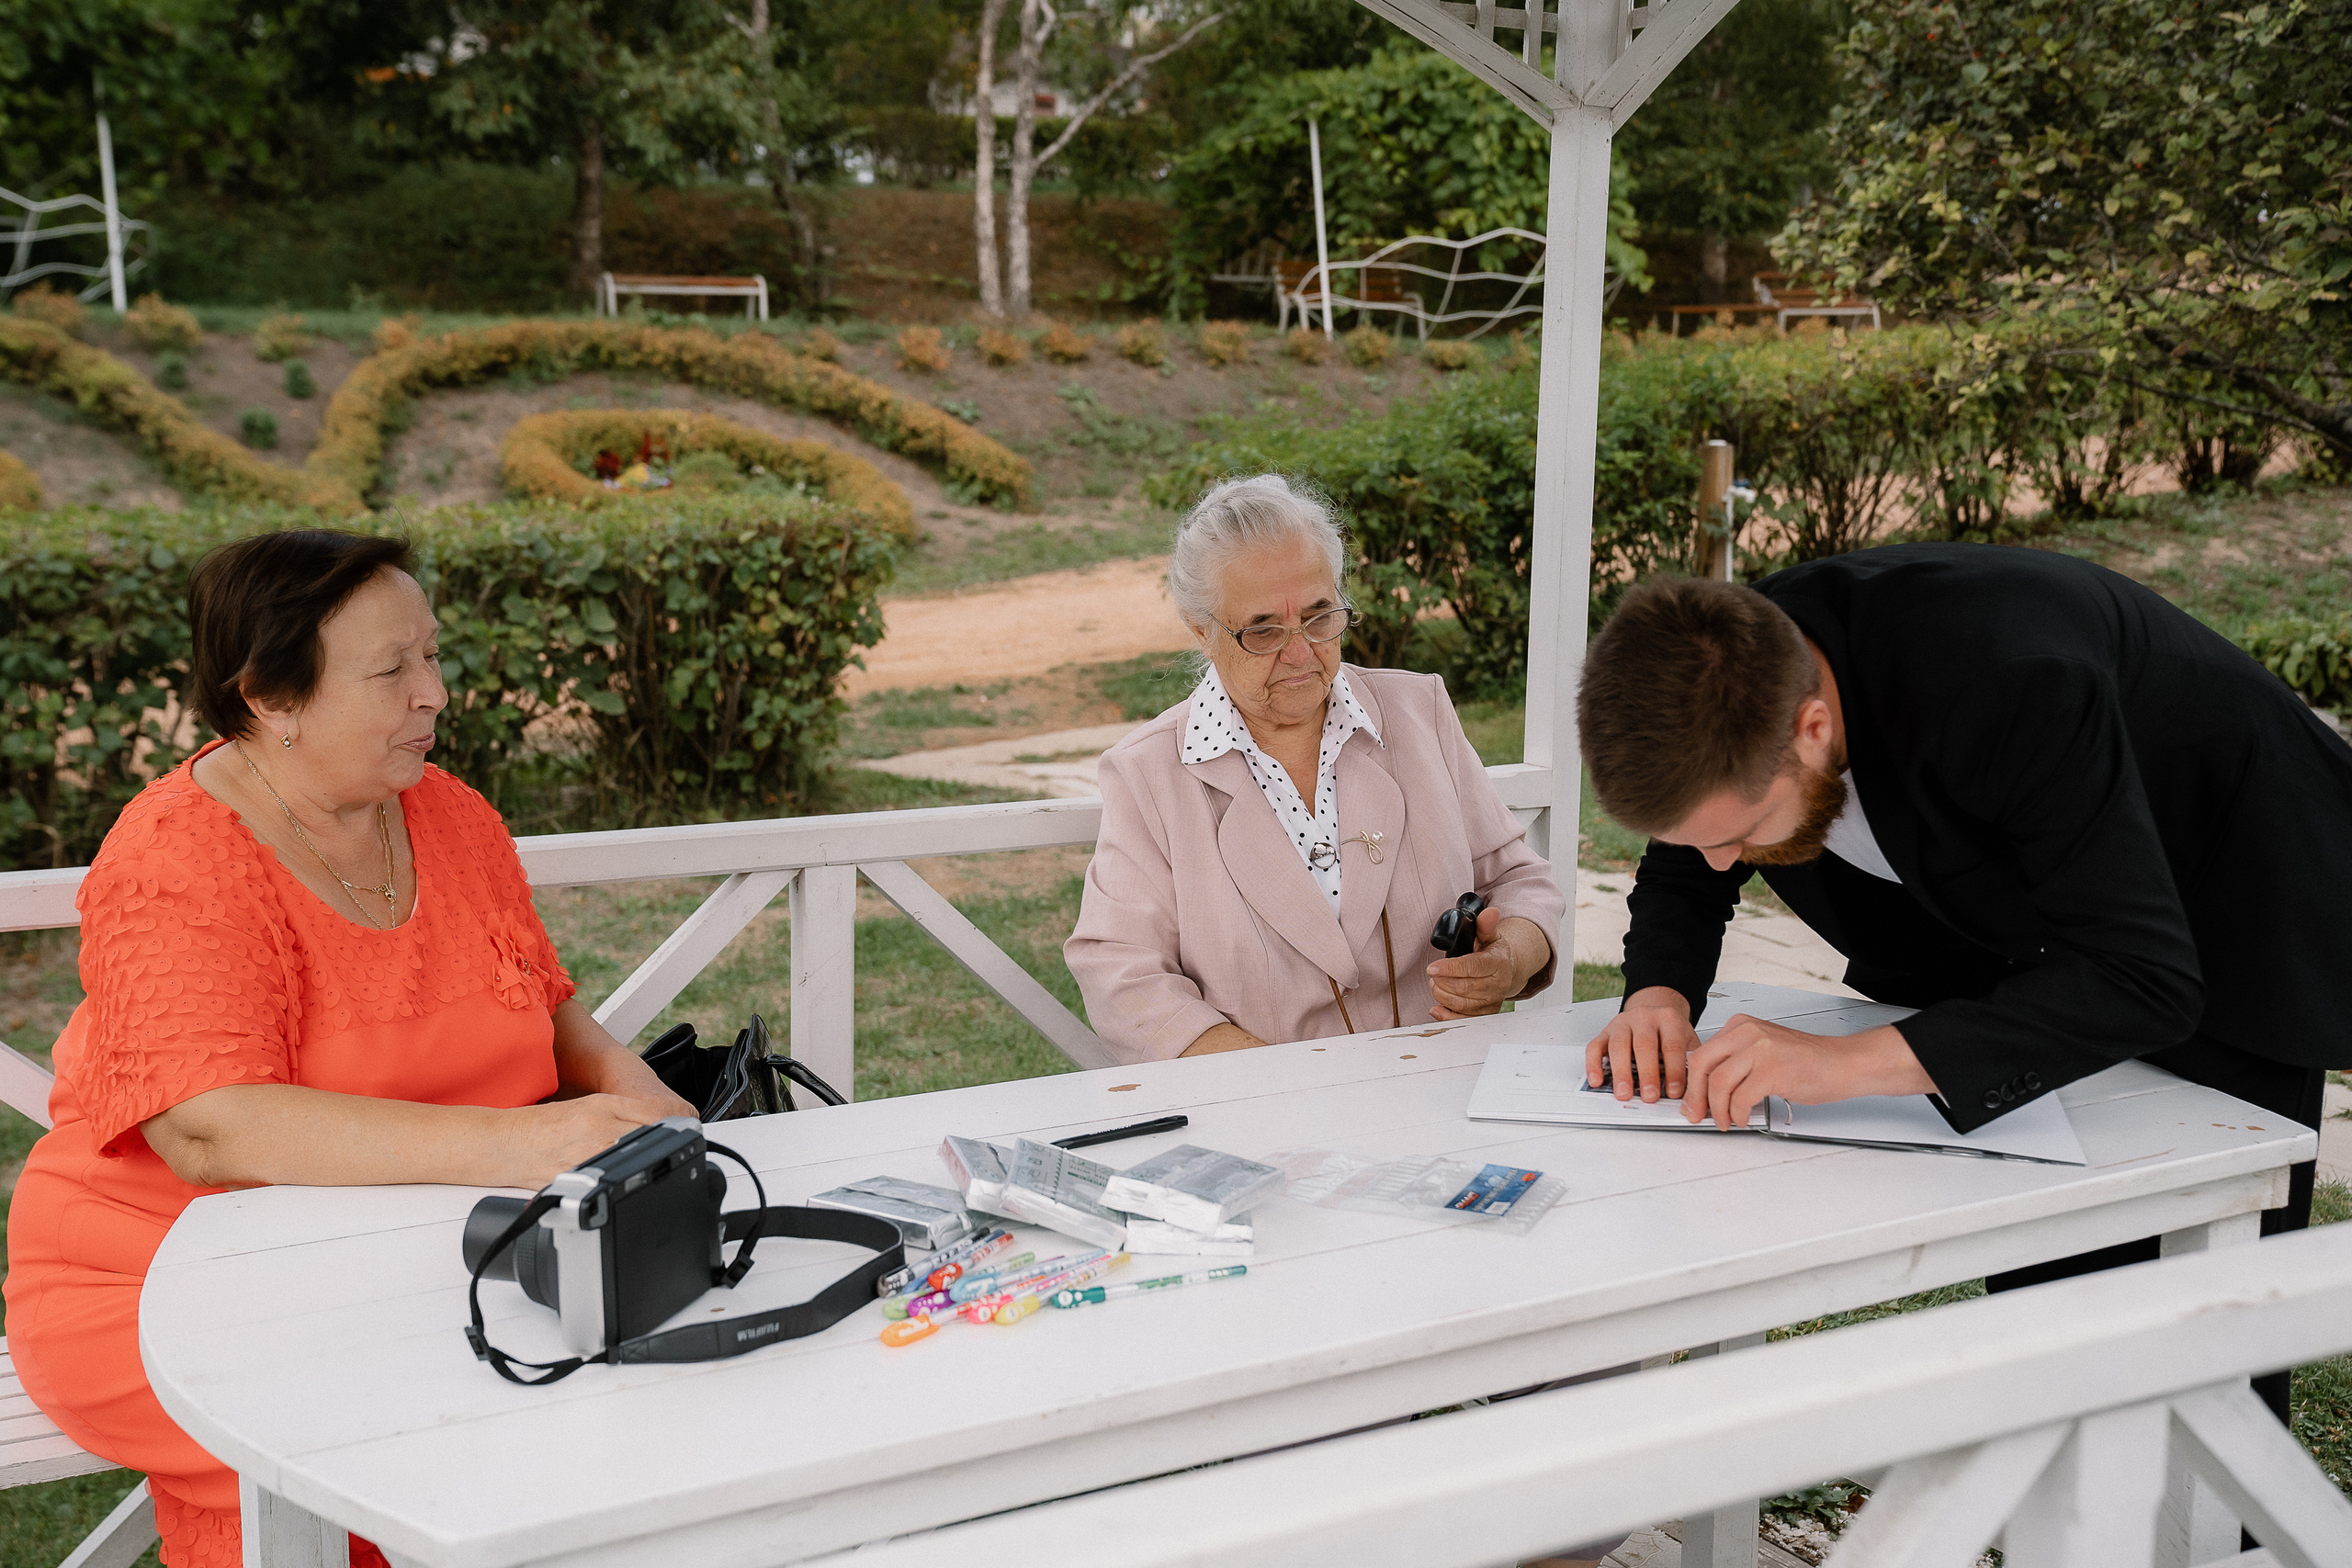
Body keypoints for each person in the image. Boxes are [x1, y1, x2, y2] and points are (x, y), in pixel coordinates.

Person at [4, 530, 695, 1568]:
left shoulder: (449, 816)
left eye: (432, 654)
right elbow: (210, 1126)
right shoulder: (175, 861)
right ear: (270, 698)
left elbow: (537, 1001)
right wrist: (526, 1147)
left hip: (422, 1238)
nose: (437, 693)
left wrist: (625, 1081)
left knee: (626, 1404)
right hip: (167, 1273)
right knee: (412, 1445)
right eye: (392, 670)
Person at [1576, 543, 2349, 1424]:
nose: (1720, 861)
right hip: (2025, 944)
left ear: (1814, 729)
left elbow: (2146, 976)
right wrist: (1657, 995)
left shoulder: (2008, 675)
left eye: (1742, 832)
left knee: (2204, 1329)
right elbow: (1689, 863)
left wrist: (1848, 1064)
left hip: (2230, 904)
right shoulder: (1731, 679)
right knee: (2052, 1306)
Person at [1067, 474, 1566, 1061]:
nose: (1300, 651)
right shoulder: (1150, 774)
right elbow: (1121, 972)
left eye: (1320, 616)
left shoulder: (1417, 712)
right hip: (1266, 1116)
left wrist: (1507, 960)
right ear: (1202, 629)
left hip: (1444, 1080)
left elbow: (1519, 883)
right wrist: (1267, 1079)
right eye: (1263, 631)